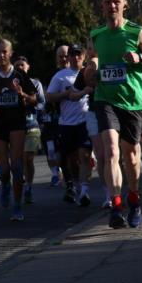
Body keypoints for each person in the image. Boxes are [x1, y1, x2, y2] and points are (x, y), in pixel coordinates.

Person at [83, 0, 142, 228]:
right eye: (108, 2)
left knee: (131, 156)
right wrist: (92, 67)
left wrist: (140, 58)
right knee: (111, 152)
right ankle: (116, 205)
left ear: (124, 4)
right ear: (102, 6)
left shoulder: (137, 32)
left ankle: (134, 199)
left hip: (132, 101)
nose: (112, 6)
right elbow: (92, 59)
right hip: (105, 98)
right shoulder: (96, 34)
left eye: (116, 1)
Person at [0, 39, 38, 222]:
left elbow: (35, 99)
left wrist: (23, 95)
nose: (1, 55)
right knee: (4, 170)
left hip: (17, 123)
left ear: (10, 53)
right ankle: (5, 184)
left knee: (17, 166)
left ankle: (17, 206)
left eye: (4, 52)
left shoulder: (19, 75)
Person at [47, 45, 94, 206]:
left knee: (85, 155)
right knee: (72, 159)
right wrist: (65, 94)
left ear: (84, 56)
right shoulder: (60, 76)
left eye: (78, 54)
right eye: (72, 55)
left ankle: (84, 191)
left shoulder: (89, 71)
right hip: (67, 123)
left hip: (86, 120)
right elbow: (49, 96)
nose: (75, 57)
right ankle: (75, 184)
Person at [13, 56, 45, 204]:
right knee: (18, 160)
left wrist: (25, 97)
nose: (20, 68)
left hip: (31, 123)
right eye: (17, 65)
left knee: (28, 158)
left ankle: (29, 187)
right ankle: (20, 184)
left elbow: (41, 103)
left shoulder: (35, 83)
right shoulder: (10, 82)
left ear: (28, 67)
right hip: (15, 126)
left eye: (22, 65)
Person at [44, 45, 70, 186]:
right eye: (60, 56)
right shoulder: (53, 75)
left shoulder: (78, 72)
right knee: (54, 149)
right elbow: (48, 97)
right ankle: (57, 174)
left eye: (66, 55)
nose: (64, 59)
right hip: (56, 117)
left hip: (76, 116)